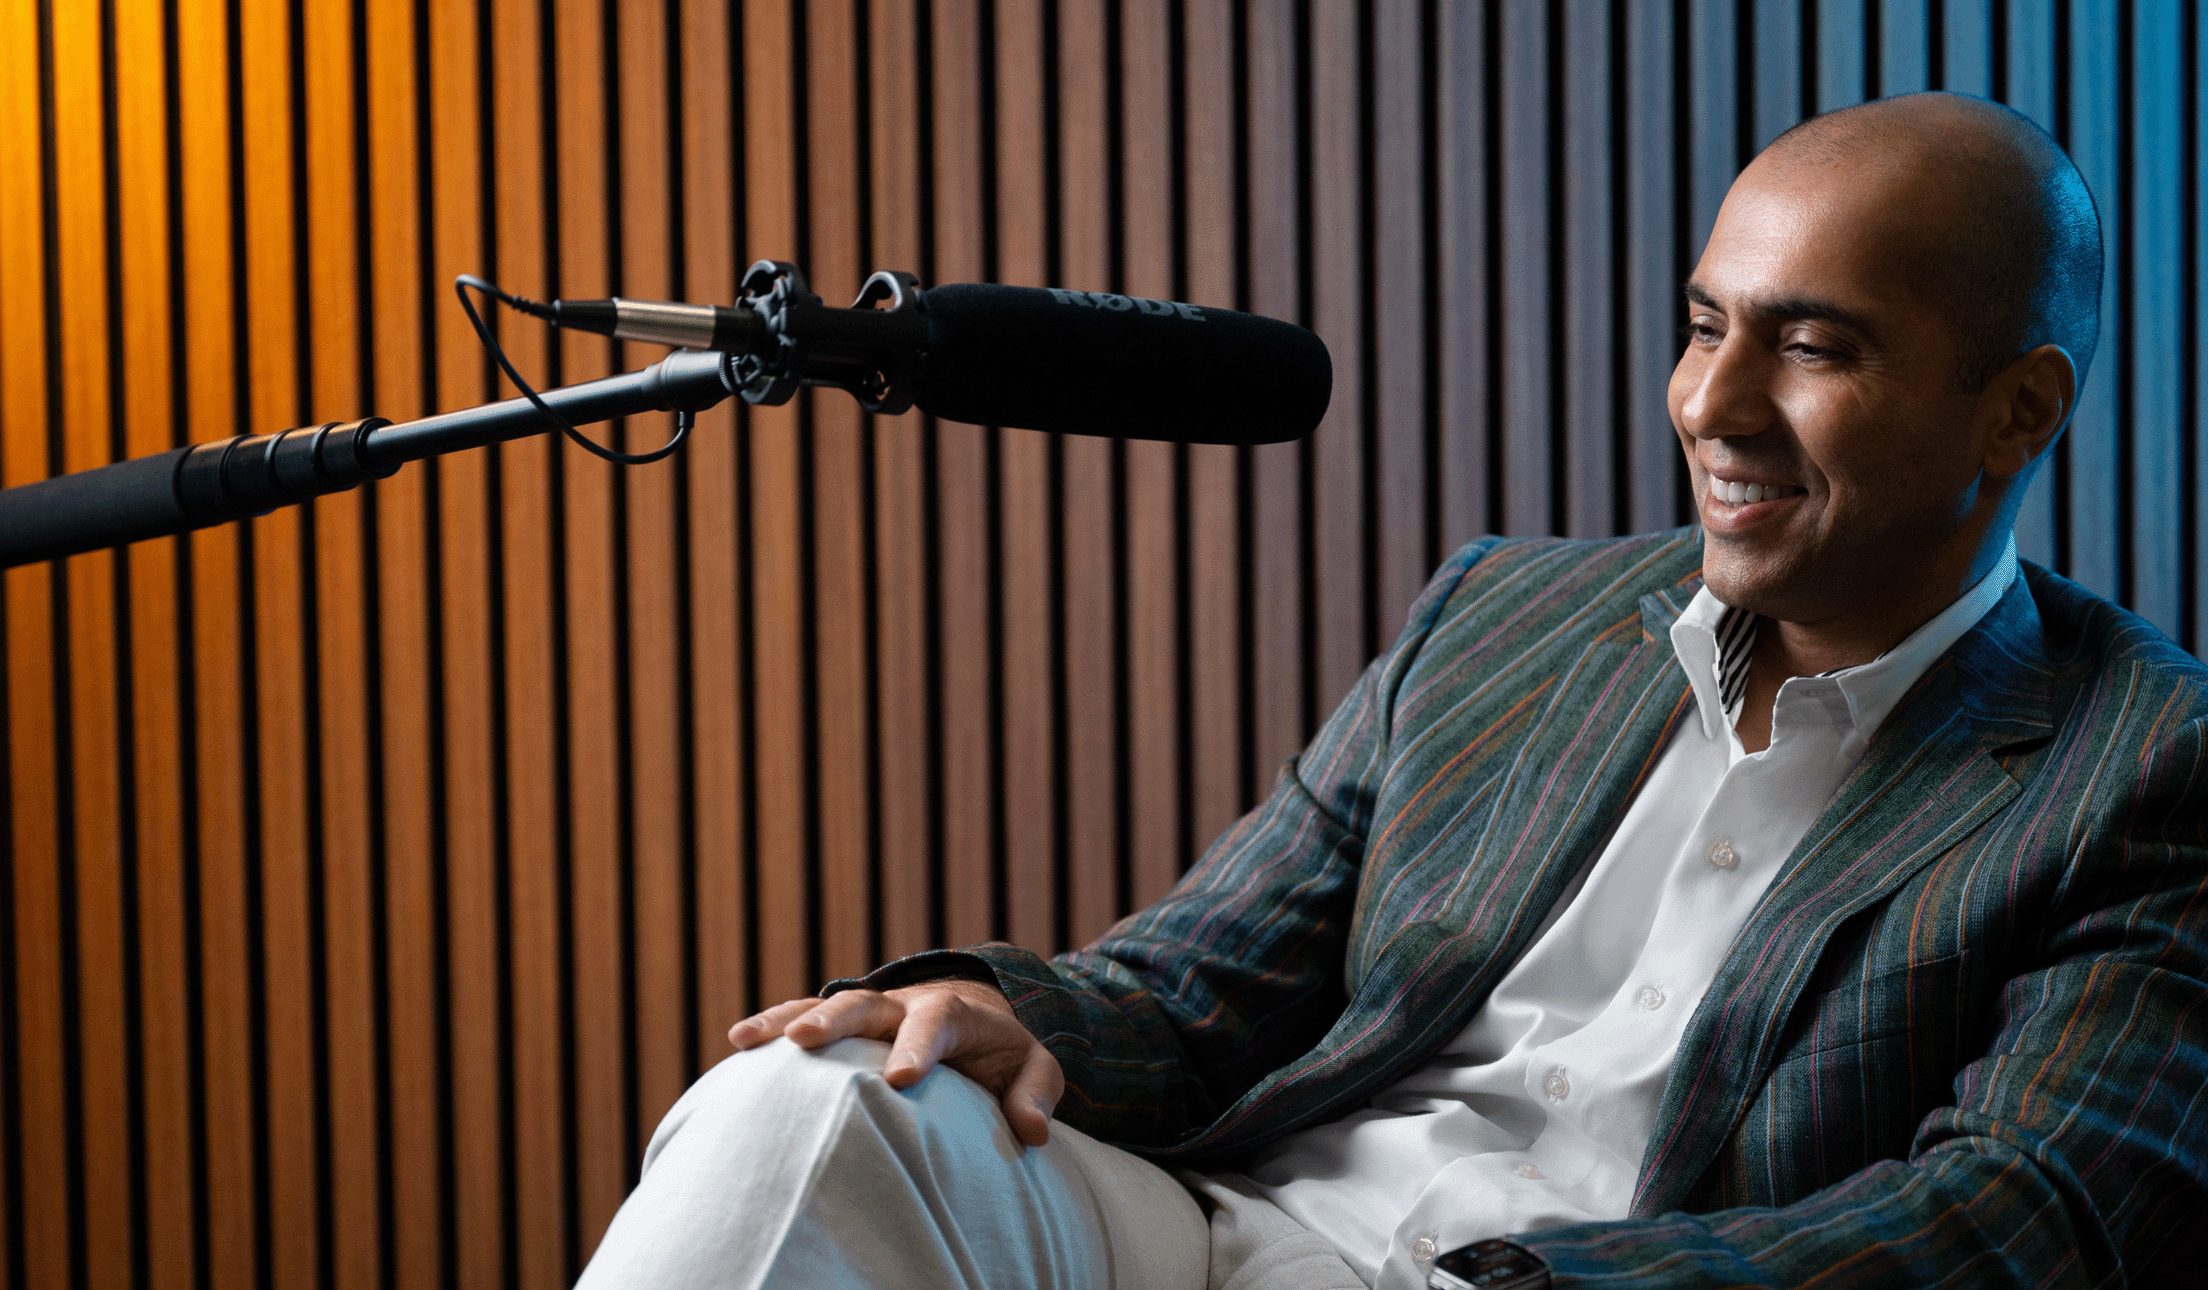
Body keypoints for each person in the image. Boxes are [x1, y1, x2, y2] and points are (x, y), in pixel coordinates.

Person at [576, 92, 2208, 1289]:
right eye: (1705, 325)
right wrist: (1013, 1011)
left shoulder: (2146, 758)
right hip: (1227, 1232)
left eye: (1813, 347)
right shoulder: (1508, 617)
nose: (1711, 403)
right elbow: (1199, 983)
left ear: (2017, 409)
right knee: (817, 1102)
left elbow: (2021, 1216)